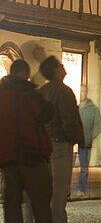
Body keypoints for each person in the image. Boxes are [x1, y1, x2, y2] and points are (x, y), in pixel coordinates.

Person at [0, 58, 54, 222]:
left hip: (8, 158)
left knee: (12, 205)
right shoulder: (30, 95)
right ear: (25, 73)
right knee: (41, 203)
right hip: (32, 155)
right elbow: (47, 114)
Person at [37, 56, 84, 223]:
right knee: (60, 191)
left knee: (46, 189)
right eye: (61, 65)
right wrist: (77, 138)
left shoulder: (41, 91)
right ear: (56, 70)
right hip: (60, 143)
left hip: (43, 143)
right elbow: (69, 120)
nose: (64, 68)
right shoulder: (64, 91)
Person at [74, 87, 100, 198]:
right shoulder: (76, 108)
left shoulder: (93, 109)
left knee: (84, 167)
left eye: (83, 91)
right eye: (80, 91)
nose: (81, 94)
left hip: (85, 141)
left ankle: (81, 189)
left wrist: (90, 136)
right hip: (75, 139)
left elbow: (98, 125)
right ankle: (70, 190)